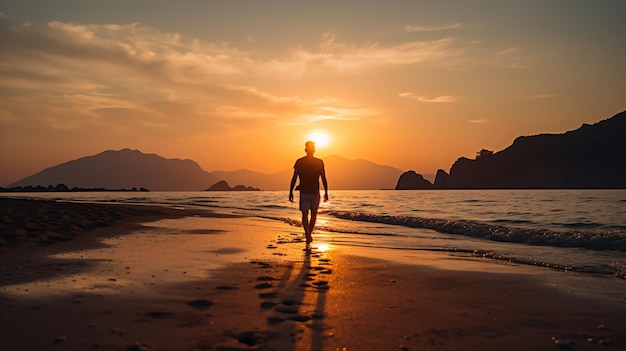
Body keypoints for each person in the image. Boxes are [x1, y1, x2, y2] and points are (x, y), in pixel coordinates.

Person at [289, 141, 329, 246]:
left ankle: (308, 234)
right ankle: (308, 234)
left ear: (306, 150)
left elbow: (294, 178)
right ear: (312, 150)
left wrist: (291, 191)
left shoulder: (301, 162)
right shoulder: (317, 162)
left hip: (308, 192)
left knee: (307, 215)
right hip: (311, 192)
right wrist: (326, 192)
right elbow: (323, 178)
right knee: (312, 214)